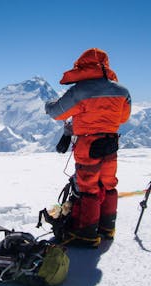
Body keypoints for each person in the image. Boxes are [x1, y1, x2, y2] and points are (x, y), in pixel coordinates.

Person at [45, 48, 131, 246]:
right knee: (108, 184)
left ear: (82, 66)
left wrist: (48, 105)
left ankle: (86, 234)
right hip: (111, 143)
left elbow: (58, 112)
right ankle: (107, 228)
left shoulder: (80, 91)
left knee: (88, 188)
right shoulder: (122, 91)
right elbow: (123, 118)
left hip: (88, 143)